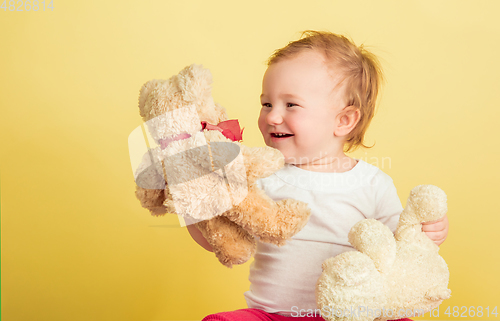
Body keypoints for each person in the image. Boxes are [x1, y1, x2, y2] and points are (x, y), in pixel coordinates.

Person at [186, 30, 449, 321]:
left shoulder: (373, 184)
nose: (272, 116)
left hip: (353, 315)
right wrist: (191, 201)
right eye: (267, 104)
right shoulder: (260, 175)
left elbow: (400, 248)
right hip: (272, 316)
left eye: (291, 105)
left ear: (343, 120)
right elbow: (218, 239)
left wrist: (428, 233)